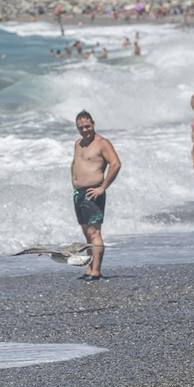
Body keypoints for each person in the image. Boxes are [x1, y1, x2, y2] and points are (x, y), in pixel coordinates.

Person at [71, 110, 122, 281]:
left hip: (94, 192)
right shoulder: (78, 144)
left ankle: (96, 270)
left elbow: (115, 164)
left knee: (94, 232)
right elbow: (75, 163)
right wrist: (74, 182)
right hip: (79, 193)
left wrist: (103, 187)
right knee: (87, 232)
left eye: (87, 126)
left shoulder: (102, 143)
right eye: (81, 127)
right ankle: (90, 268)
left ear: (93, 123)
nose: (85, 130)